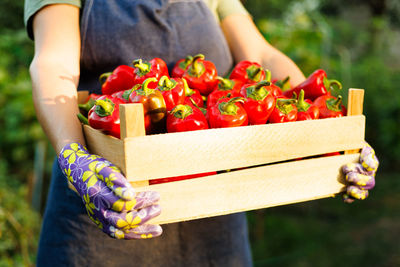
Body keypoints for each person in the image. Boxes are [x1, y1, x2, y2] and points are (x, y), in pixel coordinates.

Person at [24, 0, 379, 266]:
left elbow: (259, 53)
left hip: (215, 208)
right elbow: (54, 61)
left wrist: (326, 124)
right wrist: (74, 156)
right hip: (106, 199)